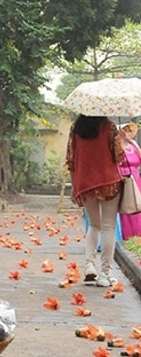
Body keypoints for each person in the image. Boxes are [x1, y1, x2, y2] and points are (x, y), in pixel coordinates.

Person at [65, 113, 122, 288]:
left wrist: (75, 186)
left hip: (86, 183)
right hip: (109, 183)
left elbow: (71, 159)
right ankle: (105, 273)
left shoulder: (76, 129)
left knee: (94, 225)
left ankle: (89, 265)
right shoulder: (110, 127)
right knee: (108, 226)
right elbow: (119, 156)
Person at [118, 122, 141, 240]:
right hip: (124, 178)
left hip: (136, 178)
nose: (128, 134)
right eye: (125, 131)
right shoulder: (117, 147)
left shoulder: (133, 147)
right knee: (126, 204)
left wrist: (136, 146)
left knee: (137, 204)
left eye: (130, 131)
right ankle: (127, 234)